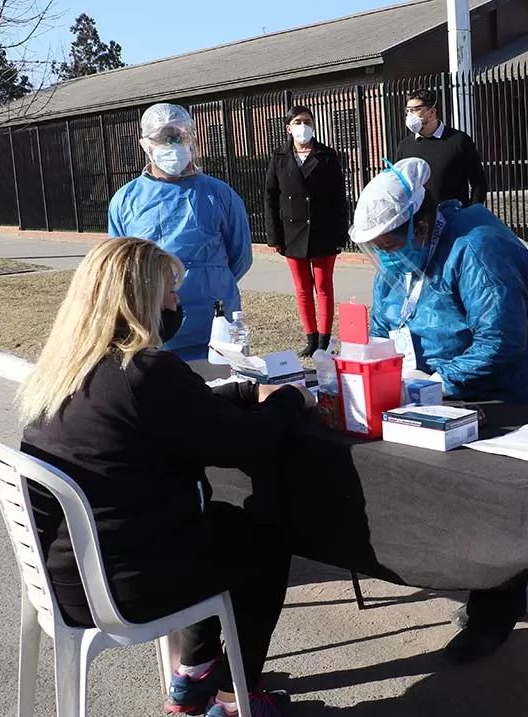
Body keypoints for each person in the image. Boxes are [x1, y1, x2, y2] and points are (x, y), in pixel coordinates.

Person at [18, 237, 316, 717]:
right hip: (127, 584)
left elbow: (185, 409)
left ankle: (194, 675)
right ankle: (235, 700)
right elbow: (243, 443)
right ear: (139, 302)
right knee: (265, 539)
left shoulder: (67, 368)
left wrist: (245, 392)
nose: (178, 303)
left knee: (221, 526)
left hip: (67, 577)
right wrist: (290, 399)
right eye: (170, 293)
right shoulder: (144, 371)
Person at [348, 157, 528, 663]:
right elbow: (384, 322)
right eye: (375, 248)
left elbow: (501, 341)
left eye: (389, 243)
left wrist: (436, 380)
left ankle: (494, 612)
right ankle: (477, 579)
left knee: (499, 499)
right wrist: (376, 364)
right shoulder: (399, 259)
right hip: (448, 391)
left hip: (525, 384)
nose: (384, 256)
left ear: (420, 224)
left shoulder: (477, 247)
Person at [108, 103, 253, 360]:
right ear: (146, 145)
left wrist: (210, 282)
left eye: (180, 136)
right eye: (165, 138)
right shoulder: (126, 200)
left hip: (215, 326)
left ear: (191, 138)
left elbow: (240, 257)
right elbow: (120, 267)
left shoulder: (220, 195)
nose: (174, 145)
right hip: (154, 328)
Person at [265, 105, 348, 357]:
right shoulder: (279, 158)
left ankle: (324, 339)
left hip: (323, 232)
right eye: (298, 121)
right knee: (302, 288)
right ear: (288, 127)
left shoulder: (327, 155)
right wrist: (274, 237)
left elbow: (339, 198)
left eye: (308, 121)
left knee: (323, 286)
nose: (303, 126)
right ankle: (310, 338)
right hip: (292, 233)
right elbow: (270, 196)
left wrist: (339, 235)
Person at [395, 89, 487, 207]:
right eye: (408, 111)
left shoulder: (459, 141)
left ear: (432, 112)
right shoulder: (405, 146)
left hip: (453, 219)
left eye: (416, 110)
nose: (410, 115)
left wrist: (471, 211)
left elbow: (479, 183)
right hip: (418, 221)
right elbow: (398, 185)